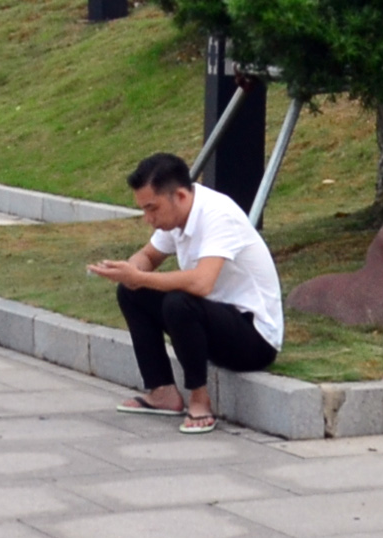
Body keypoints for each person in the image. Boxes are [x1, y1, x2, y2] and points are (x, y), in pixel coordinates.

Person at [89, 151, 280, 433]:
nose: (148, 218)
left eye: (152, 209)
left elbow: (202, 283)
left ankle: (200, 400)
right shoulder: (176, 217)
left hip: (253, 337)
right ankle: (162, 391)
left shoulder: (218, 214)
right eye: (144, 210)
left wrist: (140, 277)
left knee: (179, 302)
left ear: (179, 196)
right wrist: (127, 272)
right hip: (212, 322)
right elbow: (149, 255)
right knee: (131, 293)